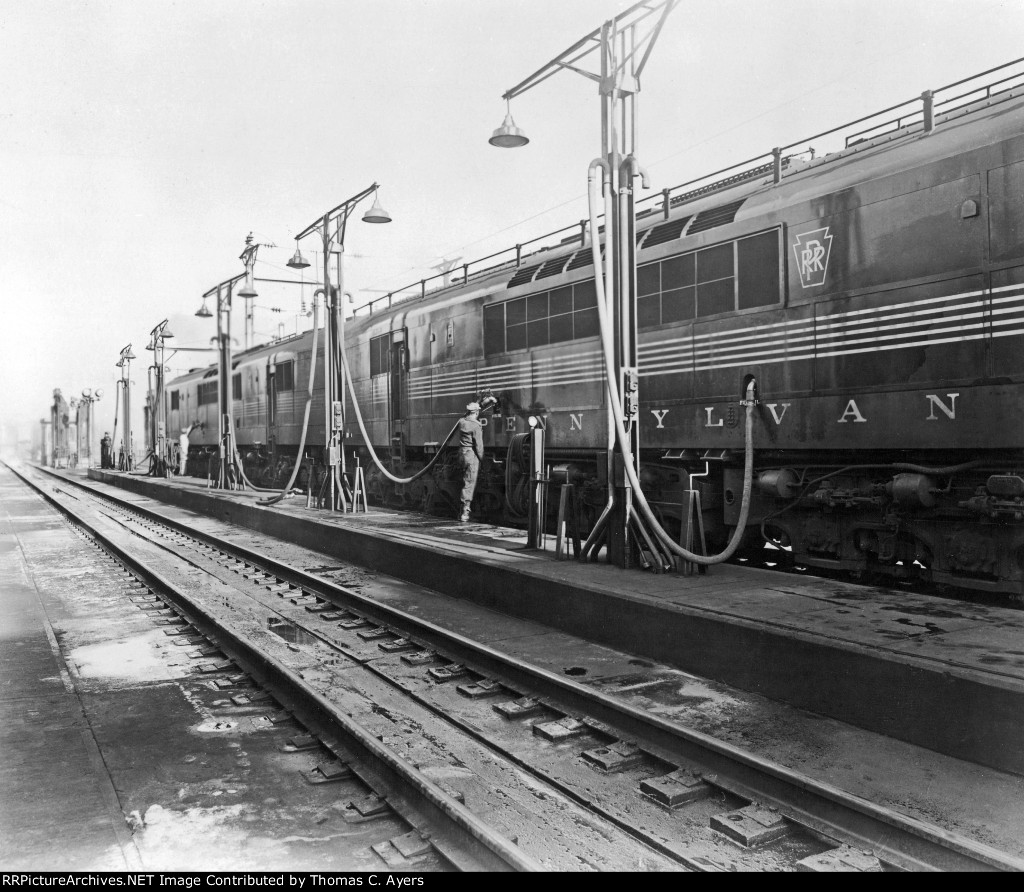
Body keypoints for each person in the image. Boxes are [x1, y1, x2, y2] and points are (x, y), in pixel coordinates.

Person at [456, 402, 484, 522]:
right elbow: (479, 446)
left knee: (464, 481)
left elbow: (464, 418)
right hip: (471, 456)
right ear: (477, 412)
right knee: (469, 482)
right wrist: (482, 459)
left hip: (461, 455)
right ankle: (465, 512)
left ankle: (460, 509)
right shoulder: (476, 426)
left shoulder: (461, 422)